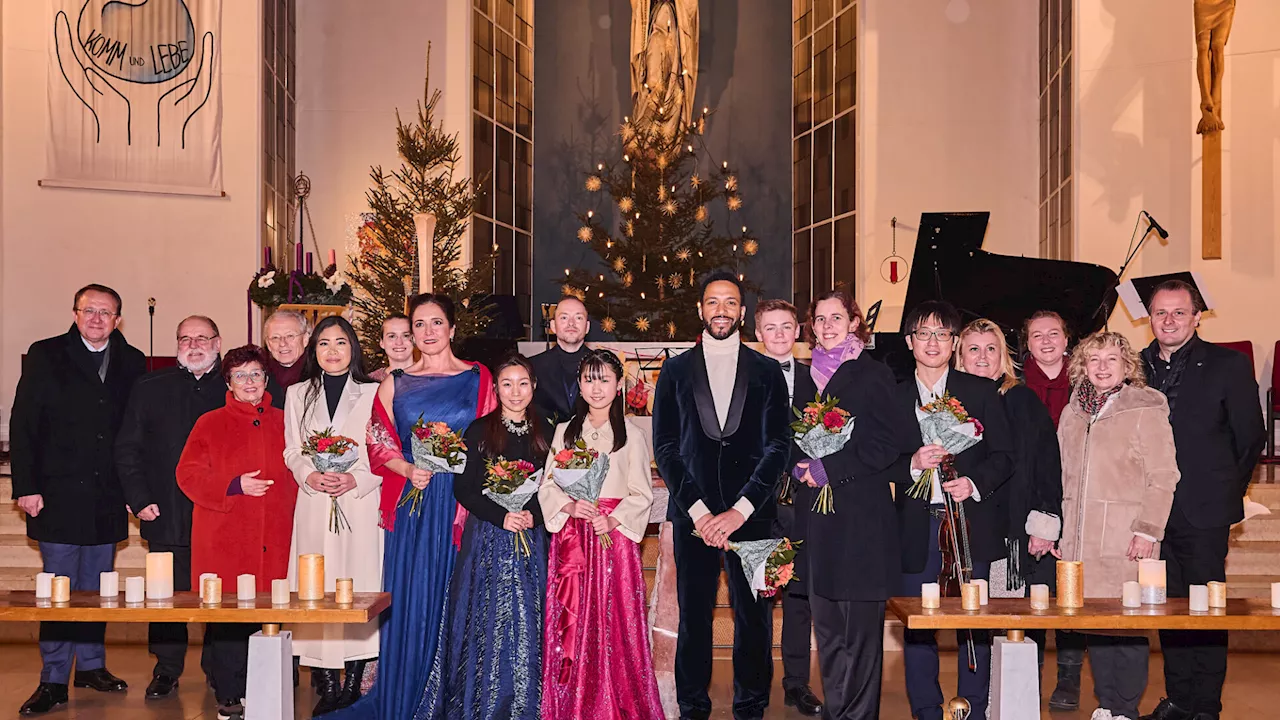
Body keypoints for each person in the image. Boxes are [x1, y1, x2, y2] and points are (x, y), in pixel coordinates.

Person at [329, 294, 496, 720]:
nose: (427, 332)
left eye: (436, 323)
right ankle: (409, 693)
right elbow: (376, 441)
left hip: (464, 504)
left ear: (453, 328)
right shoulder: (396, 381)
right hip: (414, 503)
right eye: (419, 325)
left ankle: (458, 700)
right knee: (413, 597)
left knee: (461, 597)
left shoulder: (479, 378)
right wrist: (406, 467)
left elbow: (494, 438)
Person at [652, 271, 791, 720]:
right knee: (694, 617)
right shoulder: (673, 371)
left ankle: (750, 707)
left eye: (730, 302)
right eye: (713, 302)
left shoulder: (768, 372)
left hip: (753, 516)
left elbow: (777, 448)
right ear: (700, 309)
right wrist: (700, 511)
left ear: (742, 313)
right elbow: (666, 448)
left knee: (755, 620)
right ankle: (693, 706)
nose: (721, 310)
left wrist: (739, 510)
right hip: (694, 516)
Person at [10, 283, 145, 716]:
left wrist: (134, 489)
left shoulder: (133, 360)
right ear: (75, 313)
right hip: (57, 493)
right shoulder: (46, 354)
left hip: (107, 494)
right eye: (90, 310)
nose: (97, 319)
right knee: (59, 590)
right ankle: (52, 678)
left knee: (97, 588)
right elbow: (24, 424)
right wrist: (25, 486)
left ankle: (90, 666)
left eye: (107, 312)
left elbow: (136, 430)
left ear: (118, 319)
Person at [1139, 280, 1264, 720]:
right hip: (1152, 514)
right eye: (1160, 313)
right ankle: (1178, 699)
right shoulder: (1136, 367)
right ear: (1148, 317)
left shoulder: (1228, 365)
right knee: (1170, 608)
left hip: (1205, 511)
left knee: (1206, 609)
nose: (1168, 321)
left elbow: (1251, 439)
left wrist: (1226, 498)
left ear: (1197, 317)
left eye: (1178, 312)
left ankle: (1206, 704)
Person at [791, 289, 917, 719]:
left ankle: (858, 715)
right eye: (820, 319)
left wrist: (830, 468)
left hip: (862, 520)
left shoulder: (873, 373)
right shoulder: (804, 378)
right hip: (817, 521)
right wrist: (798, 466)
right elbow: (784, 437)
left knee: (860, 635)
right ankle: (836, 709)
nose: (828, 326)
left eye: (836, 318)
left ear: (853, 323)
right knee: (826, 628)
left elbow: (887, 445)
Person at [896, 300, 1013, 720]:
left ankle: (972, 709)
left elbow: (1003, 455)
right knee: (918, 624)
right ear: (910, 342)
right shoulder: (893, 395)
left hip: (967, 522)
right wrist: (911, 463)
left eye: (942, 334)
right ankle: (926, 709)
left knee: (973, 621)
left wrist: (973, 483)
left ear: (953, 343)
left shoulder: (980, 391)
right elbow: (878, 459)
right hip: (913, 526)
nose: (933, 342)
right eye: (924, 333)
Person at [415, 354, 548, 719]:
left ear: (533, 386)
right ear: (496, 388)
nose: (515, 392)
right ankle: (483, 700)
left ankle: (529, 701)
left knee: (531, 619)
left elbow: (552, 488)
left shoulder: (548, 430)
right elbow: (465, 490)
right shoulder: (479, 430)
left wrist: (531, 516)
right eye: (507, 384)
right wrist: (503, 516)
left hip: (532, 537)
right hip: (488, 536)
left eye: (523, 383)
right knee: (486, 620)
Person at [1059, 331, 1180, 720]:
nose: (1102, 367)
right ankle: (1105, 704)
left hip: (1127, 536)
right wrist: (1059, 530)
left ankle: (1125, 708)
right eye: (1094, 360)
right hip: (1080, 540)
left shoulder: (1146, 407)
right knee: (1096, 625)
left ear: (1127, 366)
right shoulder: (1073, 410)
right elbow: (1061, 474)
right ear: (1082, 366)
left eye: (1112, 359)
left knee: (1127, 626)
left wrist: (1148, 530)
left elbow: (1164, 475)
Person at [176, 345, 299, 720]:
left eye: (256, 374)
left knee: (275, 610)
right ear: (228, 381)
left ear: (267, 379)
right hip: (227, 535)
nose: (249, 382)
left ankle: (271, 687)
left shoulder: (286, 420)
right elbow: (188, 474)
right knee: (230, 617)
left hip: (277, 532)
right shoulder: (209, 422)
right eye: (240, 375)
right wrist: (232, 485)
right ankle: (228, 693)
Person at [540, 349, 663, 719]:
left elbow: (642, 493)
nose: (597, 388)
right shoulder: (565, 432)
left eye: (604, 379)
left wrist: (613, 519)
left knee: (615, 619)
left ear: (618, 384)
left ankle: (616, 698)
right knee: (573, 619)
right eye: (589, 379)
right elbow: (547, 485)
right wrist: (569, 505)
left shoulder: (633, 435)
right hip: (574, 538)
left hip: (614, 541)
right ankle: (571, 701)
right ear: (579, 385)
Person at [115, 315, 227, 699]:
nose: (193, 345)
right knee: (166, 596)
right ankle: (166, 669)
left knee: (220, 594)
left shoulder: (236, 384)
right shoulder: (149, 386)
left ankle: (220, 669)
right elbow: (128, 447)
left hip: (222, 512)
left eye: (202, 338)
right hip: (164, 509)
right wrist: (139, 496)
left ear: (217, 342)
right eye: (184, 338)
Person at [283, 316, 383, 715]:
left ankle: (354, 682)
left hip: (357, 503)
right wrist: (310, 475)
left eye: (340, 343)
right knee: (315, 586)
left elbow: (384, 451)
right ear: (314, 350)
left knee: (357, 583)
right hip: (314, 502)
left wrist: (354, 480)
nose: (332, 351)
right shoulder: (296, 394)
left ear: (353, 348)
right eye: (324, 344)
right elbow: (292, 449)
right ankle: (326, 683)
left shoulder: (375, 392)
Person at [955, 319, 1063, 678]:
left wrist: (1044, 523)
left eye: (991, 348)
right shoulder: (950, 402)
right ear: (960, 356)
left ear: (1004, 356)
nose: (982, 357)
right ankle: (978, 702)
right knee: (971, 622)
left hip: (1010, 536)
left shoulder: (1020, 398)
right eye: (973, 349)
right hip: (963, 529)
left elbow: (1047, 465)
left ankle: (1007, 705)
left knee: (1009, 625)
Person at [752, 299, 822, 717]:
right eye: (770, 328)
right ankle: (754, 682)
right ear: (758, 334)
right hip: (756, 505)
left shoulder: (817, 380)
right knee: (757, 596)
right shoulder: (742, 378)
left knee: (799, 597)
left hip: (801, 503)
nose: (779, 334)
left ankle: (796, 683)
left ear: (798, 332)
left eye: (786, 327)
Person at [1020, 309, 1082, 709]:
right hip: (1033, 503)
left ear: (1066, 340)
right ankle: (1029, 675)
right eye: (1037, 335)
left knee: (1072, 592)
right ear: (1026, 343)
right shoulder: (1014, 385)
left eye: (1053, 333)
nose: (1045, 341)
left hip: (1078, 497)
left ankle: (1070, 678)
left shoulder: (1086, 382)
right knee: (1036, 590)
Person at [530, 296, 590, 431]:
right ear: (552, 326)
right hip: (545, 447)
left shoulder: (601, 366)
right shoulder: (533, 366)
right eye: (564, 317)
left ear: (587, 327)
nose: (571, 323)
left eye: (578, 318)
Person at [264, 309, 311, 410]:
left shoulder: (318, 374)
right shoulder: (260, 375)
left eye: (290, 336)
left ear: (305, 339)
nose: (282, 343)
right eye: (275, 338)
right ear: (268, 344)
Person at [370, 314, 414, 382]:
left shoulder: (429, 377)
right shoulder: (371, 381)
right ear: (382, 343)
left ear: (414, 340)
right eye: (392, 336)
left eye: (406, 335)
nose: (399, 342)